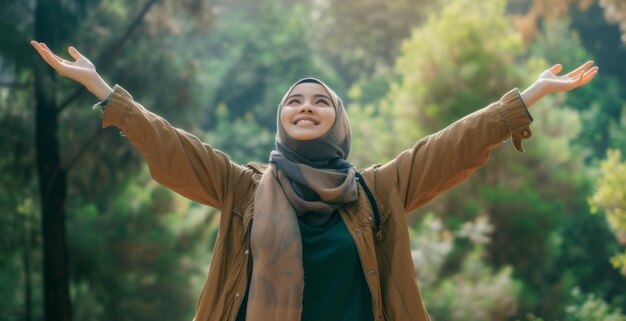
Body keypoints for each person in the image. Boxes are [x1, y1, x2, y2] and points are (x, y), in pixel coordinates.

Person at [31, 40, 598, 321]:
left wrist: (527, 97)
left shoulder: (380, 188)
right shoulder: (243, 187)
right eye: (294, 101)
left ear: (338, 119)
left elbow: (452, 144)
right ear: (281, 119)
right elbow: (170, 144)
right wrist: (105, 91)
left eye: (320, 100)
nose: (306, 106)